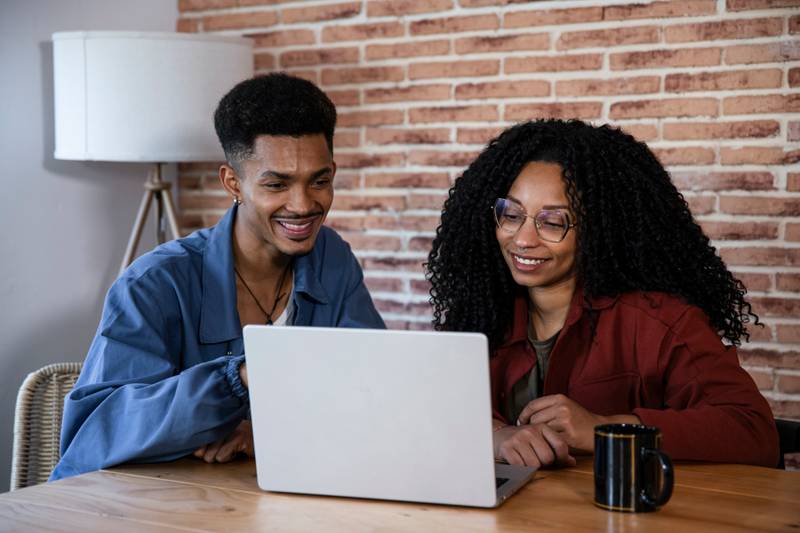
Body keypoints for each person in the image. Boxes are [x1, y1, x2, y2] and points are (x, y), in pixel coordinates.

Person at [51, 73, 385, 480]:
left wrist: (262, 433)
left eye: (320, 181)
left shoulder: (332, 259)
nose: (303, 205)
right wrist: (242, 376)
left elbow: (368, 393)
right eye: (276, 184)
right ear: (233, 182)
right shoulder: (155, 283)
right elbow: (92, 436)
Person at [426, 119, 779, 469]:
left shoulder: (662, 322)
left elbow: (754, 432)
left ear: (599, 229)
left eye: (552, 222)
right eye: (512, 214)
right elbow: (434, 416)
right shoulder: (483, 315)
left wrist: (605, 429)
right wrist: (494, 437)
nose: (522, 239)